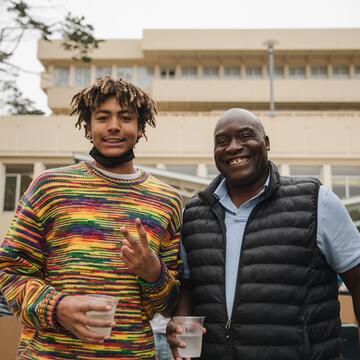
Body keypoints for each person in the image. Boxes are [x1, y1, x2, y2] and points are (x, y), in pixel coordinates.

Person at [0, 77, 182, 359]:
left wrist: (153, 273)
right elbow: (10, 270)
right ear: (88, 127)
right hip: (50, 354)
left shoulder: (166, 200)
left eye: (125, 118)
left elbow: (168, 305)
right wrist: (56, 306)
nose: (114, 126)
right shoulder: (49, 187)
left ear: (141, 128)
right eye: (103, 117)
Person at [167, 108, 360, 360]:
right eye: (222, 141)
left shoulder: (316, 200)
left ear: (266, 143)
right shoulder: (194, 213)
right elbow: (190, 288)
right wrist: (179, 322)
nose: (233, 147)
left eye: (245, 136)